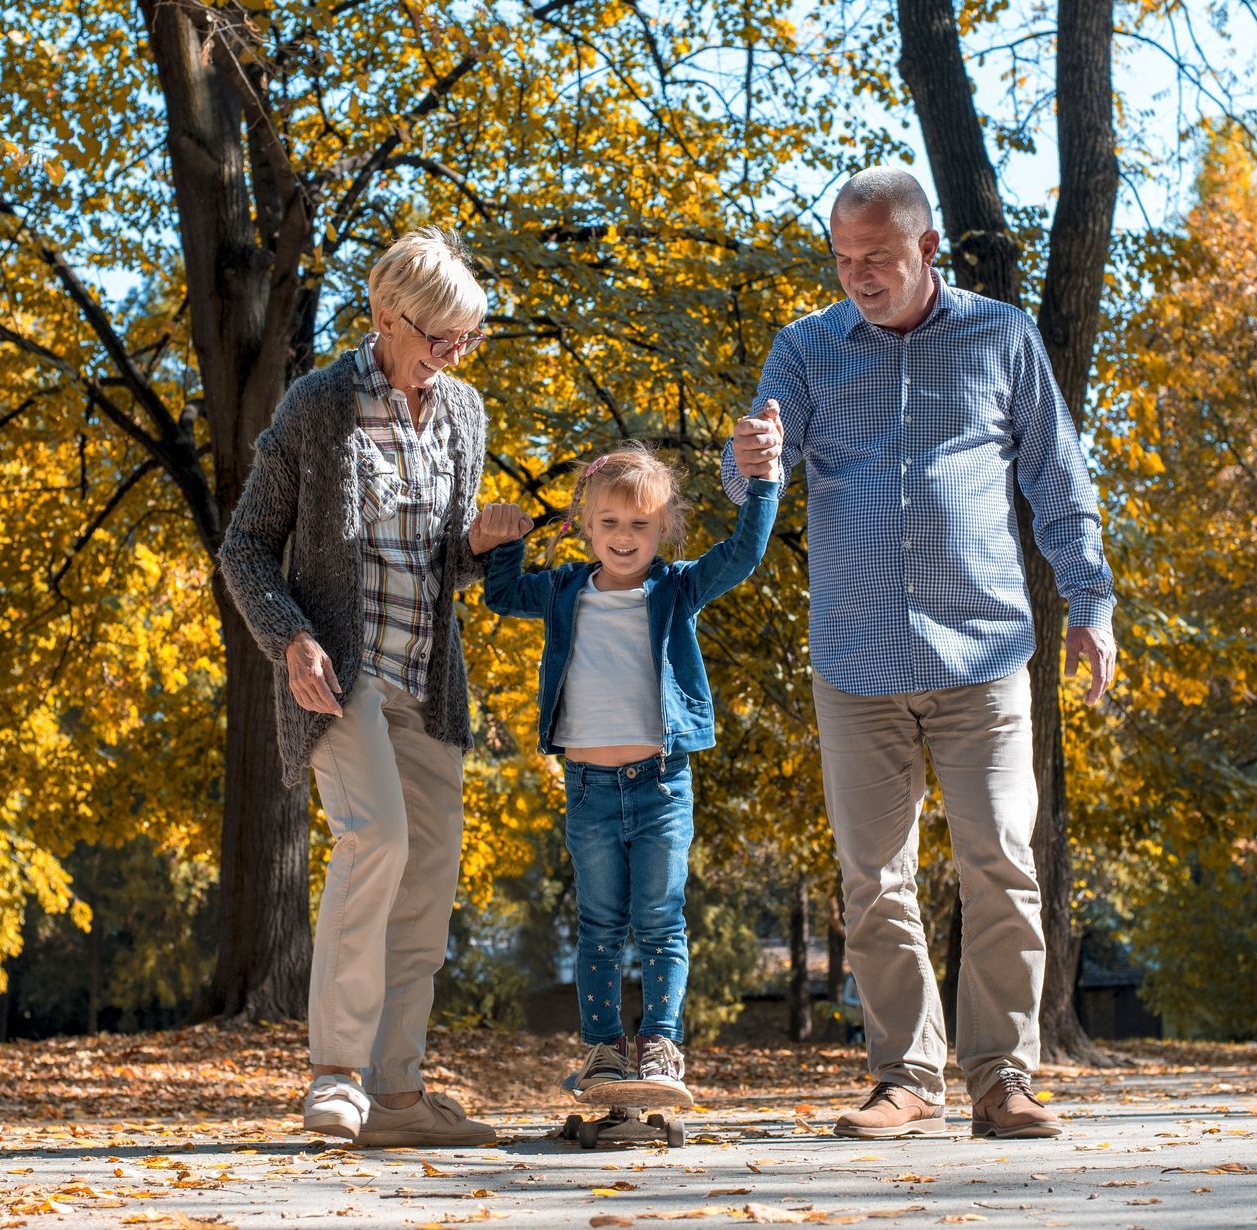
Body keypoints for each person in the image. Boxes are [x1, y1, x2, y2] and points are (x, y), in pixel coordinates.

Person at [721, 167, 1118, 1140]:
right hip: (856, 663)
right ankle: (905, 1076)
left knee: (1000, 865)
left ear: (928, 248)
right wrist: (749, 464)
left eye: (879, 259)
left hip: (983, 657)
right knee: (874, 880)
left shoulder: (1001, 338)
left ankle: (1003, 1077)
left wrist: (1091, 600)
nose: (858, 275)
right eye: (844, 259)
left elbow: (1059, 484)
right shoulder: (807, 349)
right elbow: (753, 480)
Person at [216, 227, 507, 1147]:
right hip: (341, 680)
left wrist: (485, 548)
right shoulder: (317, 406)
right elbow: (247, 547)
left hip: (429, 678)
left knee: (425, 879)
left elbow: (446, 561)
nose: (453, 356)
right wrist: (290, 638)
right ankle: (335, 1074)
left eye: (468, 339)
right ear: (387, 319)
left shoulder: (462, 412)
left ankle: (397, 1092)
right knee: (374, 838)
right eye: (441, 338)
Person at [474, 441, 781, 1103]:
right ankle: (605, 1050)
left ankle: (660, 1047)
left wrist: (763, 485)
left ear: (665, 528)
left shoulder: (677, 589)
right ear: (586, 526)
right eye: (609, 523)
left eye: (640, 524)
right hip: (586, 789)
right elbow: (500, 594)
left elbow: (745, 553)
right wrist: (505, 539)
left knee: (661, 920)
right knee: (600, 926)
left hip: (661, 784)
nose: (623, 537)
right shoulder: (561, 593)